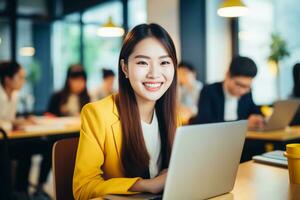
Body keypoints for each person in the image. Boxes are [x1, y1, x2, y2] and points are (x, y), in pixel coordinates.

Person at [73, 23, 179, 199]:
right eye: (143, 62)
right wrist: (145, 185)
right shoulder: (97, 114)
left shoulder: (173, 116)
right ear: (125, 68)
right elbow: (82, 188)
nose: (154, 73)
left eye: (164, 62)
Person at [191, 56, 265, 130]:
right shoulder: (209, 91)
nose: (242, 91)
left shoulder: (247, 93)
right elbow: (204, 123)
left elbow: (255, 112)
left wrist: (258, 119)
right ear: (227, 75)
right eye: (239, 85)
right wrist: (243, 125)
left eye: (247, 86)